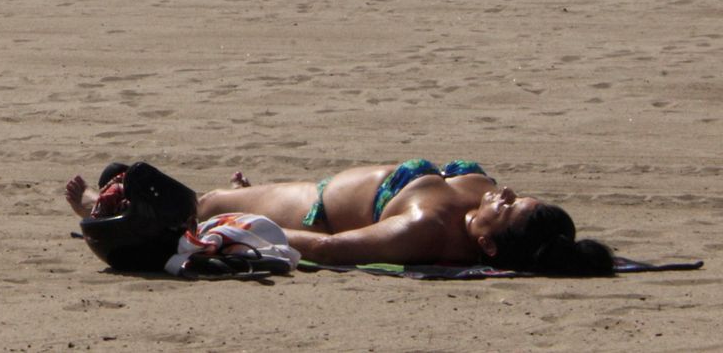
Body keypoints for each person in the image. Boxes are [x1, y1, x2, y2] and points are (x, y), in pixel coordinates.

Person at [65, 159, 613, 275]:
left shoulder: (423, 230)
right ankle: (248, 195)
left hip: (317, 209)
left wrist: (239, 229)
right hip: (323, 190)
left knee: (203, 204)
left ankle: (98, 209)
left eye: (511, 206)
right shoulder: (481, 202)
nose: (506, 191)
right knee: (215, 198)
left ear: (489, 246)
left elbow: (329, 249)